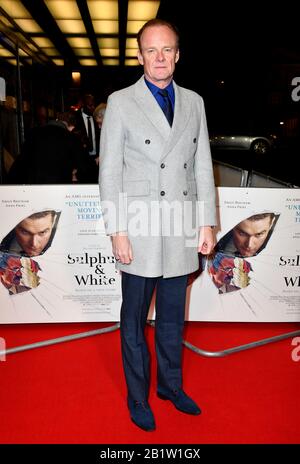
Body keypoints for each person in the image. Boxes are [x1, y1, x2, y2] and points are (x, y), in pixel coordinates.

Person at [99, 19, 216, 432]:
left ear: (178, 54)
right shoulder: (120, 102)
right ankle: (137, 396)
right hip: (139, 227)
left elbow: (202, 166)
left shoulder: (195, 102)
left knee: (172, 318)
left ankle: (170, 386)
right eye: (151, 50)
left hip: (180, 225)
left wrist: (206, 223)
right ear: (139, 55)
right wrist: (117, 231)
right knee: (133, 320)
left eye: (167, 49)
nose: (160, 57)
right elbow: (109, 172)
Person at [7, 111, 84, 184]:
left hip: (32, 184)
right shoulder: (70, 137)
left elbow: (22, 160)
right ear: (70, 126)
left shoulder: (34, 133)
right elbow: (83, 166)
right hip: (57, 186)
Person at [74, 94, 100, 182]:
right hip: (82, 160)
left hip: (97, 159)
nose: (93, 108)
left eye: (93, 105)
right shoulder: (76, 118)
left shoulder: (97, 117)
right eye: (90, 105)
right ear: (84, 105)